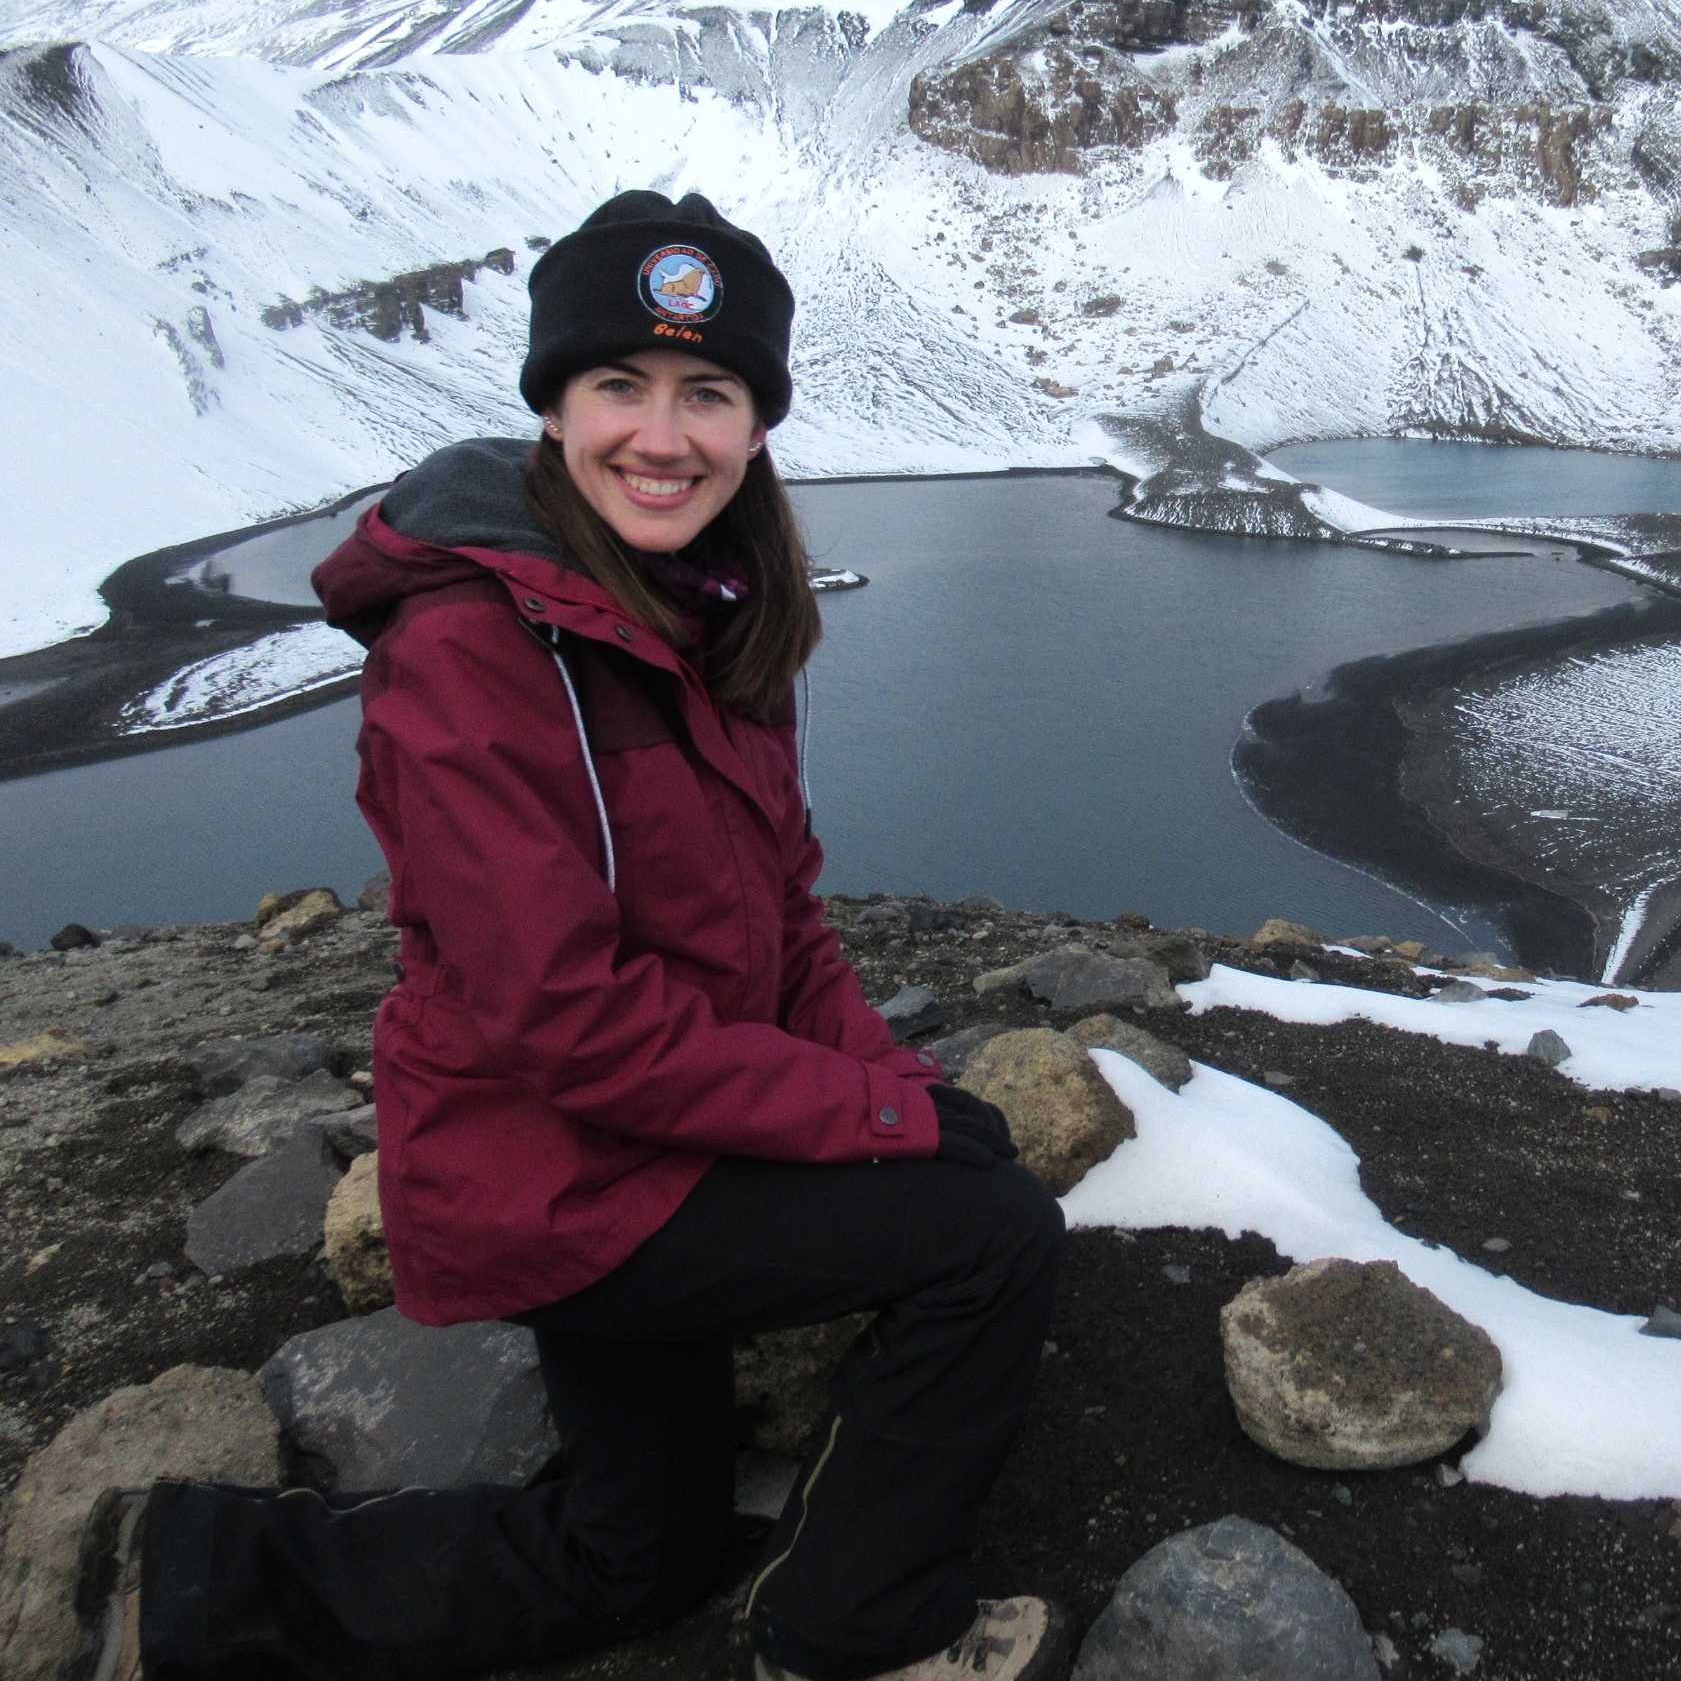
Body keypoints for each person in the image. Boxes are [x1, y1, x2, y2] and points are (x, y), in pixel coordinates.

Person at [79, 192, 1070, 1681]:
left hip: (661, 1143)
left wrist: (896, 1084)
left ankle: (193, 1579)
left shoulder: (715, 612)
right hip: (564, 1181)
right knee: (991, 1238)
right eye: (619, 386)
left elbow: (787, 920)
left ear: (755, 429)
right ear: (554, 410)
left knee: (637, 1559)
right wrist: (873, 1120)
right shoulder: (473, 648)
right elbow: (566, 1021)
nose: (661, 437)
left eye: (708, 395)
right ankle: (857, 1629)